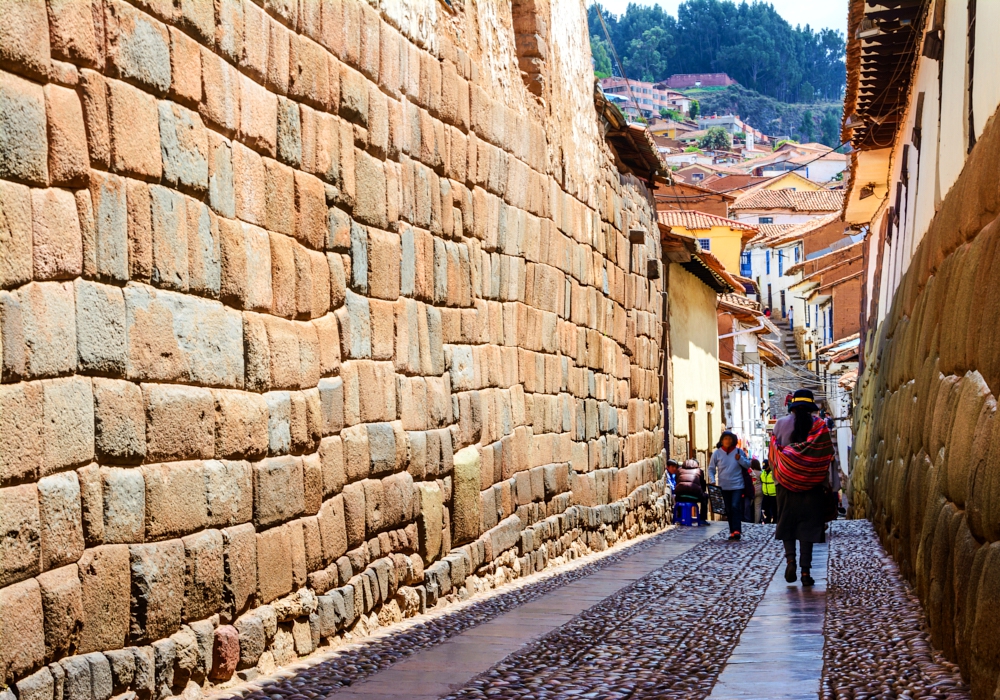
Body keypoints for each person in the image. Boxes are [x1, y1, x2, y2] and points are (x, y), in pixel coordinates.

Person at [771, 389, 837, 587]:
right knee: (807, 529)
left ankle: (790, 560)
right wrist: (829, 484)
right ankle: (806, 572)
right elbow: (827, 456)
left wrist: (784, 472)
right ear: (811, 407)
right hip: (812, 486)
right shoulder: (820, 426)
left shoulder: (780, 424)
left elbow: (774, 454)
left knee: (788, 524)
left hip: (785, 485)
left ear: (792, 405)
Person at [708, 431, 751, 540]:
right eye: (725, 439)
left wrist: (740, 459)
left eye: (729, 439)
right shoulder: (717, 453)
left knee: (735, 506)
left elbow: (747, 465)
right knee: (728, 509)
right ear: (722, 440)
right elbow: (711, 469)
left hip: (737, 485)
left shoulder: (738, 452)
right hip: (724, 486)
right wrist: (712, 480)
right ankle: (732, 531)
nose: (727, 441)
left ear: (733, 440)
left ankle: (737, 530)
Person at [675, 459, 709, 525]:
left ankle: (679, 517)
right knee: (705, 497)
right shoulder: (699, 471)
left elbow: (677, 481)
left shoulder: (679, 470)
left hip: (680, 497)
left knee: (678, 496)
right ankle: (702, 519)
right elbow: (703, 485)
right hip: (695, 497)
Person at [760, 459, 777, 524]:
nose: (765, 469)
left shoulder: (773, 472)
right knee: (765, 508)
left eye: (766, 467)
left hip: (773, 494)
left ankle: (775, 520)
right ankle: (768, 519)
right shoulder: (763, 472)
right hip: (766, 494)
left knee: (774, 509)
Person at [750, 458, 764, 523]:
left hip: (752, 490)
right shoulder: (761, 473)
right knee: (757, 508)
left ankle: (749, 520)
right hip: (760, 490)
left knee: (749, 506)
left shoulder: (751, 472)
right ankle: (756, 522)